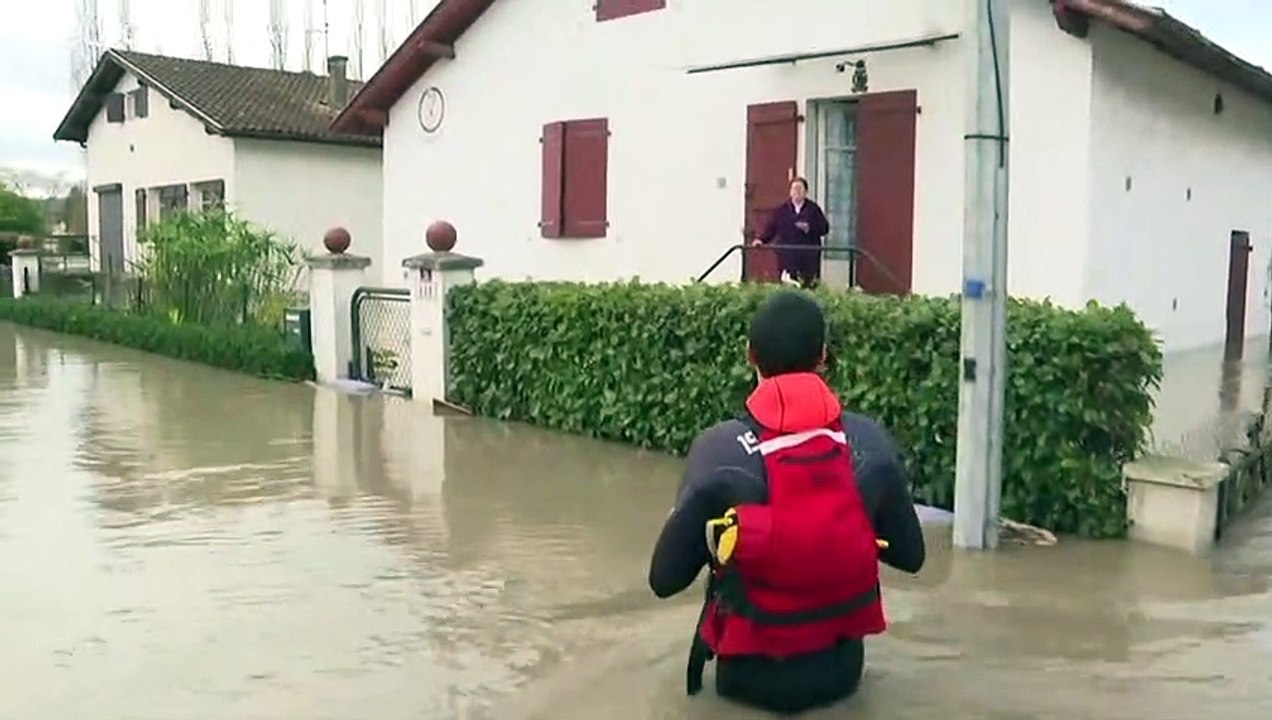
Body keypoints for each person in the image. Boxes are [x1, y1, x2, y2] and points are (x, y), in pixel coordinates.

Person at [647, 290, 926, 714]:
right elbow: (911, 556)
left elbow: (664, 580)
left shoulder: (718, 450)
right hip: (842, 679)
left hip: (745, 687)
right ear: (823, 357)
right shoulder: (872, 443)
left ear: (750, 355)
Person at [753, 178, 830, 288]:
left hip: (808, 257)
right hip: (788, 256)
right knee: (788, 286)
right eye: (794, 188)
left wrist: (809, 228)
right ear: (790, 191)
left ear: (806, 192)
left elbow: (824, 228)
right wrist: (761, 240)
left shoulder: (813, 209)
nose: (797, 192)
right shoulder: (782, 210)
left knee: (808, 286)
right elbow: (771, 228)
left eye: (800, 189)